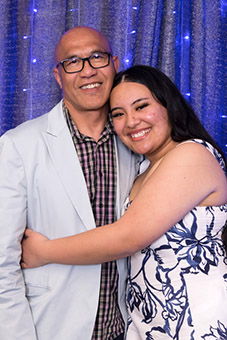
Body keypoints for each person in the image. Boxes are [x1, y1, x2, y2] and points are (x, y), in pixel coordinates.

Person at [22, 65, 227, 339]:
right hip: (150, 321)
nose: (131, 122)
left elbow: (128, 237)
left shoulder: (191, 154)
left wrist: (42, 252)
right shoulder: (144, 167)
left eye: (141, 106)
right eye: (118, 114)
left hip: (195, 318)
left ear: (169, 105)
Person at [0, 26, 142, 340]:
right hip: (52, 327)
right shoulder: (18, 145)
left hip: (126, 329)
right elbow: (2, 263)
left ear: (115, 64)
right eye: (72, 62)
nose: (88, 70)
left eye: (97, 57)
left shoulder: (136, 139)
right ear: (58, 75)